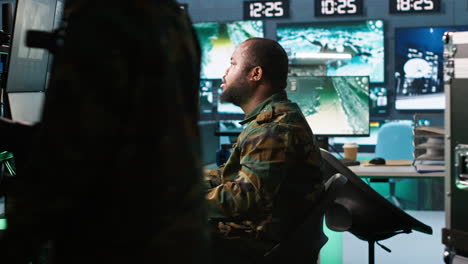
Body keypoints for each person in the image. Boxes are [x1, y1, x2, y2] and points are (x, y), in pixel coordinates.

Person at [0, 0, 210, 263]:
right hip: (175, 234)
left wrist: (17, 240)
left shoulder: (102, 19)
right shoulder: (169, 16)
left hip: (119, 240)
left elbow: (68, 153)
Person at [204, 38, 326, 264]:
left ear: (255, 74)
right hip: (266, 233)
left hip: (257, 243)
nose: (225, 73)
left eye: (232, 64)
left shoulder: (272, 129)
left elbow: (245, 197)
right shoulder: (269, 120)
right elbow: (232, 177)